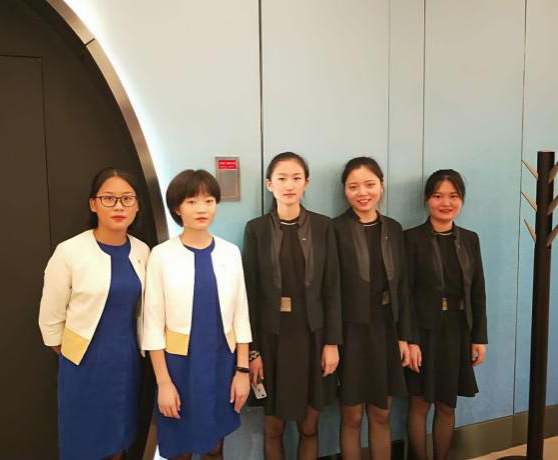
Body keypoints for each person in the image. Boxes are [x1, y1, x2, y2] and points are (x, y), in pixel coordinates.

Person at [38, 167, 150, 460]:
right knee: (84, 442)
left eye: (127, 199)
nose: (118, 206)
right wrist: (73, 353)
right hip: (83, 363)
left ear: (137, 205)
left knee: (119, 439)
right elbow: (50, 319)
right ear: (93, 204)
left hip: (126, 361)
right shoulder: (70, 251)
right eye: (108, 198)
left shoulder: (142, 251)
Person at [143, 169, 252, 460]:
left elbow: (241, 315)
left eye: (209, 200)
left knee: (215, 448)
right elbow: (151, 326)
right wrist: (163, 383)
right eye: (191, 201)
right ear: (177, 208)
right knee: (180, 449)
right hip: (179, 367)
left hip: (221, 362)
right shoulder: (161, 255)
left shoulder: (230, 252)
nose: (202, 208)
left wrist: (242, 371)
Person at [243, 152, 341, 460]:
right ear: (269, 184)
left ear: (306, 183)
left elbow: (332, 289)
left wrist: (332, 343)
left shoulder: (323, 227)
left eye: (296, 178)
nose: (289, 185)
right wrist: (253, 352)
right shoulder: (256, 229)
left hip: (312, 336)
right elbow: (250, 294)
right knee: (274, 427)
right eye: (282, 178)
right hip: (272, 338)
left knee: (309, 427)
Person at [332, 157, 411, 460]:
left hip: (385, 329)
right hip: (349, 331)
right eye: (353, 186)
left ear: (382, 186)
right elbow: (330, 291)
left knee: (381, 413)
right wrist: (332, 341)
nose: (362, 192)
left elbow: (402, 289)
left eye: (369, 184)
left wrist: (404, 337)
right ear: (345, 190)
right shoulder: (335, 228)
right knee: (351, 416)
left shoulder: (394, 228)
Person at [405, 169, 488, 460]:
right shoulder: (411, 239)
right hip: (423, 331)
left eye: (453, 196)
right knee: (419, 404)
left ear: (461, 200)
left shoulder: (470, 239)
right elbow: (405, 295)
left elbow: (478, 291)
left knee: (447, 405)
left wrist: (479, 338)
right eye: (438, 196)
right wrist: (410, 340)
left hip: (456, 331)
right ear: (426, 199)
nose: (445, 203)